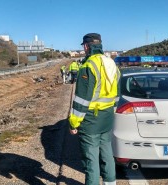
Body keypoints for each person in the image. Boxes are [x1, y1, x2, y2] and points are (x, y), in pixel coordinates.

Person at [69, 33, 120, 185]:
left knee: (91, 160)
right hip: (107, 117)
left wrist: (74, 123)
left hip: (91, 120)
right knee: (107, 154)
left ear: (86, 46)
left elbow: (82, 100)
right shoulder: (112, 64)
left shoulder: (88, 66)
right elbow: (117, 94)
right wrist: (113, 110)